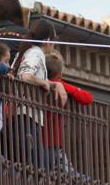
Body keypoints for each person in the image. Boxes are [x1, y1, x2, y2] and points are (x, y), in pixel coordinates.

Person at [12, 19, 67, 165]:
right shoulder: (35, 53)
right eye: (54, 39)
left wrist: (53, 84)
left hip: (26, 117)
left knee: (35, 165)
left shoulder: (28, 52)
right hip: (26, 117)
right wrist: (43, 82)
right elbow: (25, 76)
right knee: (35, 167)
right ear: (48, 40)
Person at [43, 51, 93, 172]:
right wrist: (73, 90)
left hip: (34, 142)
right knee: (79, 183)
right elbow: (88, 98)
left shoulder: (36, 83)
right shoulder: (59, 85)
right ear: (60, 73)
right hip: (52, 144)